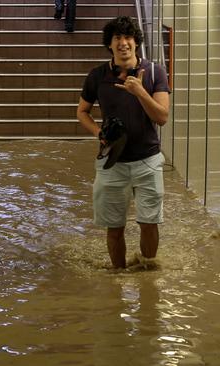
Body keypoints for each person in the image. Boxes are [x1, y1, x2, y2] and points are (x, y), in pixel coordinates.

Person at [76, 16, 170, 269]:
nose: (123, 43)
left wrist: (139, 92)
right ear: (110, 44)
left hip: (148, 160)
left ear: (136, 43)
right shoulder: (97, 76)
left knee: (149, 223)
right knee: (114, 226)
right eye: (117, 38)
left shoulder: (154, 72)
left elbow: (162, 117)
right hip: (112, 162)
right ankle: (118, 276)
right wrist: (98, 133)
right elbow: (82, 112)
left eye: (128, 37)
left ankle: (148, 273)